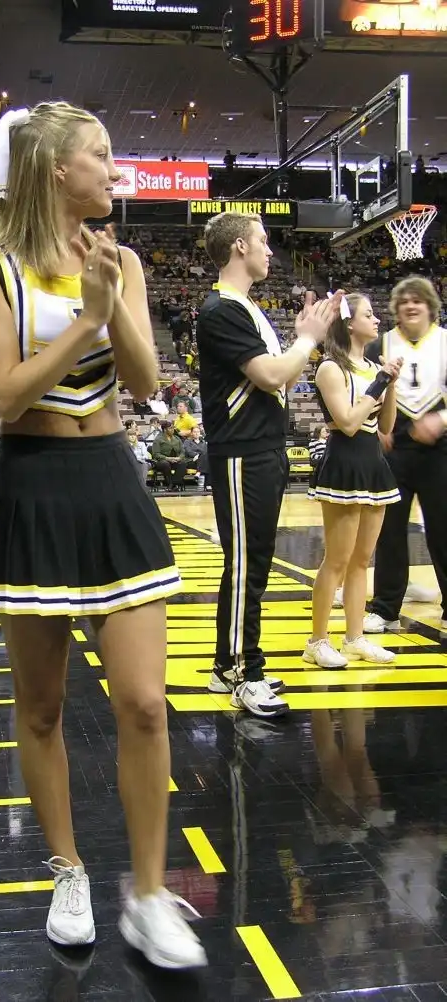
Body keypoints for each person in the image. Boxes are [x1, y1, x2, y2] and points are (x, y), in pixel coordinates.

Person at [0, 102, 205, 968]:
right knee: (41, 707)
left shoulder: (121, 259)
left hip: (109, 481)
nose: (115, 168)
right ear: (56, 168)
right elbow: (5, 396)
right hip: (33, 484)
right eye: (101, 154)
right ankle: (69, 871)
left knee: (143, 702)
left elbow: (146, 381)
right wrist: (88, 322)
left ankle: (148, 894)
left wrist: (113, 306)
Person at [195, 211, 341, 718]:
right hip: (241, 450)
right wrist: (309, 337)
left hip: (261, 448)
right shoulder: (221, 309)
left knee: (252, 563)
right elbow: (272, 375)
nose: (269, 250)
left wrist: (303, 337)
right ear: (239, 246)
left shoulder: (245, 307)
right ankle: (243, 672)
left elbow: (279, 378)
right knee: (246, 565)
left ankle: (228, 664)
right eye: (262, 240)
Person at [305, 294, 403, 667]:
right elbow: (346, 422)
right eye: (369, 314)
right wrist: (378, 383)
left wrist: (390, 384)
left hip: (373, 464)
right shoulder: (331, 368)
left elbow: (386, 426)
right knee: (337, 560)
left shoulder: (372, 368)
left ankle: (355, 638)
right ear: (349, 323)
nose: (376, 320)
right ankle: (317, 641)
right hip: (343, 465)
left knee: (362, 561)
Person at [364, 275, 447, 634]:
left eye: (418, 300)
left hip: (439, 449)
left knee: (443, 528)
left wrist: (441, 419)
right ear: (396, 309)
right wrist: (374, 426)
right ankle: (386, 608)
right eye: (404, 301)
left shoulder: (444, 341)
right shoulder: (380, 344)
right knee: (389, 531)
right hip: (393, 448)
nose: (411, 306)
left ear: (431, 306)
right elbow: (363, 389)